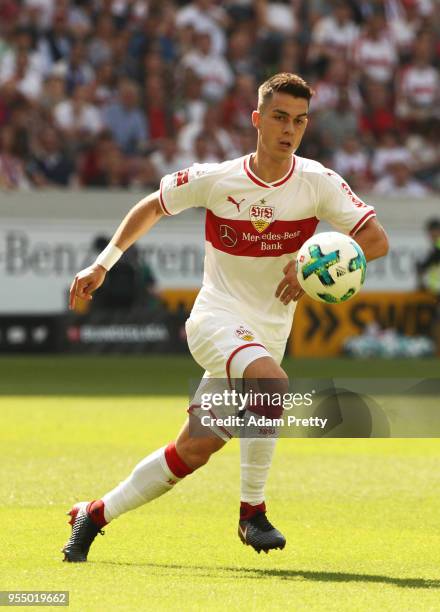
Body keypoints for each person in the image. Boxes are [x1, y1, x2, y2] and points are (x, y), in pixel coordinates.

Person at [63, 73, 389, 562]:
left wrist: (310, 268)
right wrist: (102, 263)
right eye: (279, 117)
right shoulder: (219, 178)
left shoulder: (318, 183)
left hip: (266, 337)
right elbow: (153, 206)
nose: (289, 129)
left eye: (299, 121)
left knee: (192, 451)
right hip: (215, 321)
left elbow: (376, 240)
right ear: (257, 120)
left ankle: (93, 513)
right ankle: (252, 514)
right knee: (273, 385)